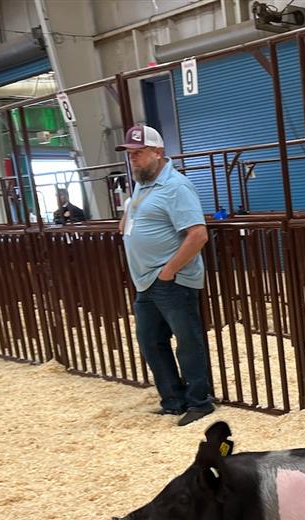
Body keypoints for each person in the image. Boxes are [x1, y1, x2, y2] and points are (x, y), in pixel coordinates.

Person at [115, 124, 214, 427]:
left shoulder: (176, 186)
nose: (133, 159)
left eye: (139, 153)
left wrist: (169, 271)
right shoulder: (143, 185)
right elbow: (131, 222)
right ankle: (173, 400)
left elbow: (197, 235)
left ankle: (200, 402)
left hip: (171, 280)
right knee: (150, 341)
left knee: (187, 341)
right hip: (146, 281)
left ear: (158, 153)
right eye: (130, 154)